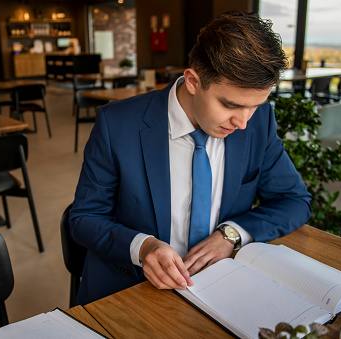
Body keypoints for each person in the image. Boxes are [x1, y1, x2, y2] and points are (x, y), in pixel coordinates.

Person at [69, 11, 311, 305]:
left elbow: (294, 200)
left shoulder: (259, 124)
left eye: (255, 106)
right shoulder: (116, 125)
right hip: (130, 291)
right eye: (230, 104)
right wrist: (143, 247)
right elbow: (84, 218)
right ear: (193, 81)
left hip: (221, 287)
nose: (243, 123)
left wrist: (231, 235)